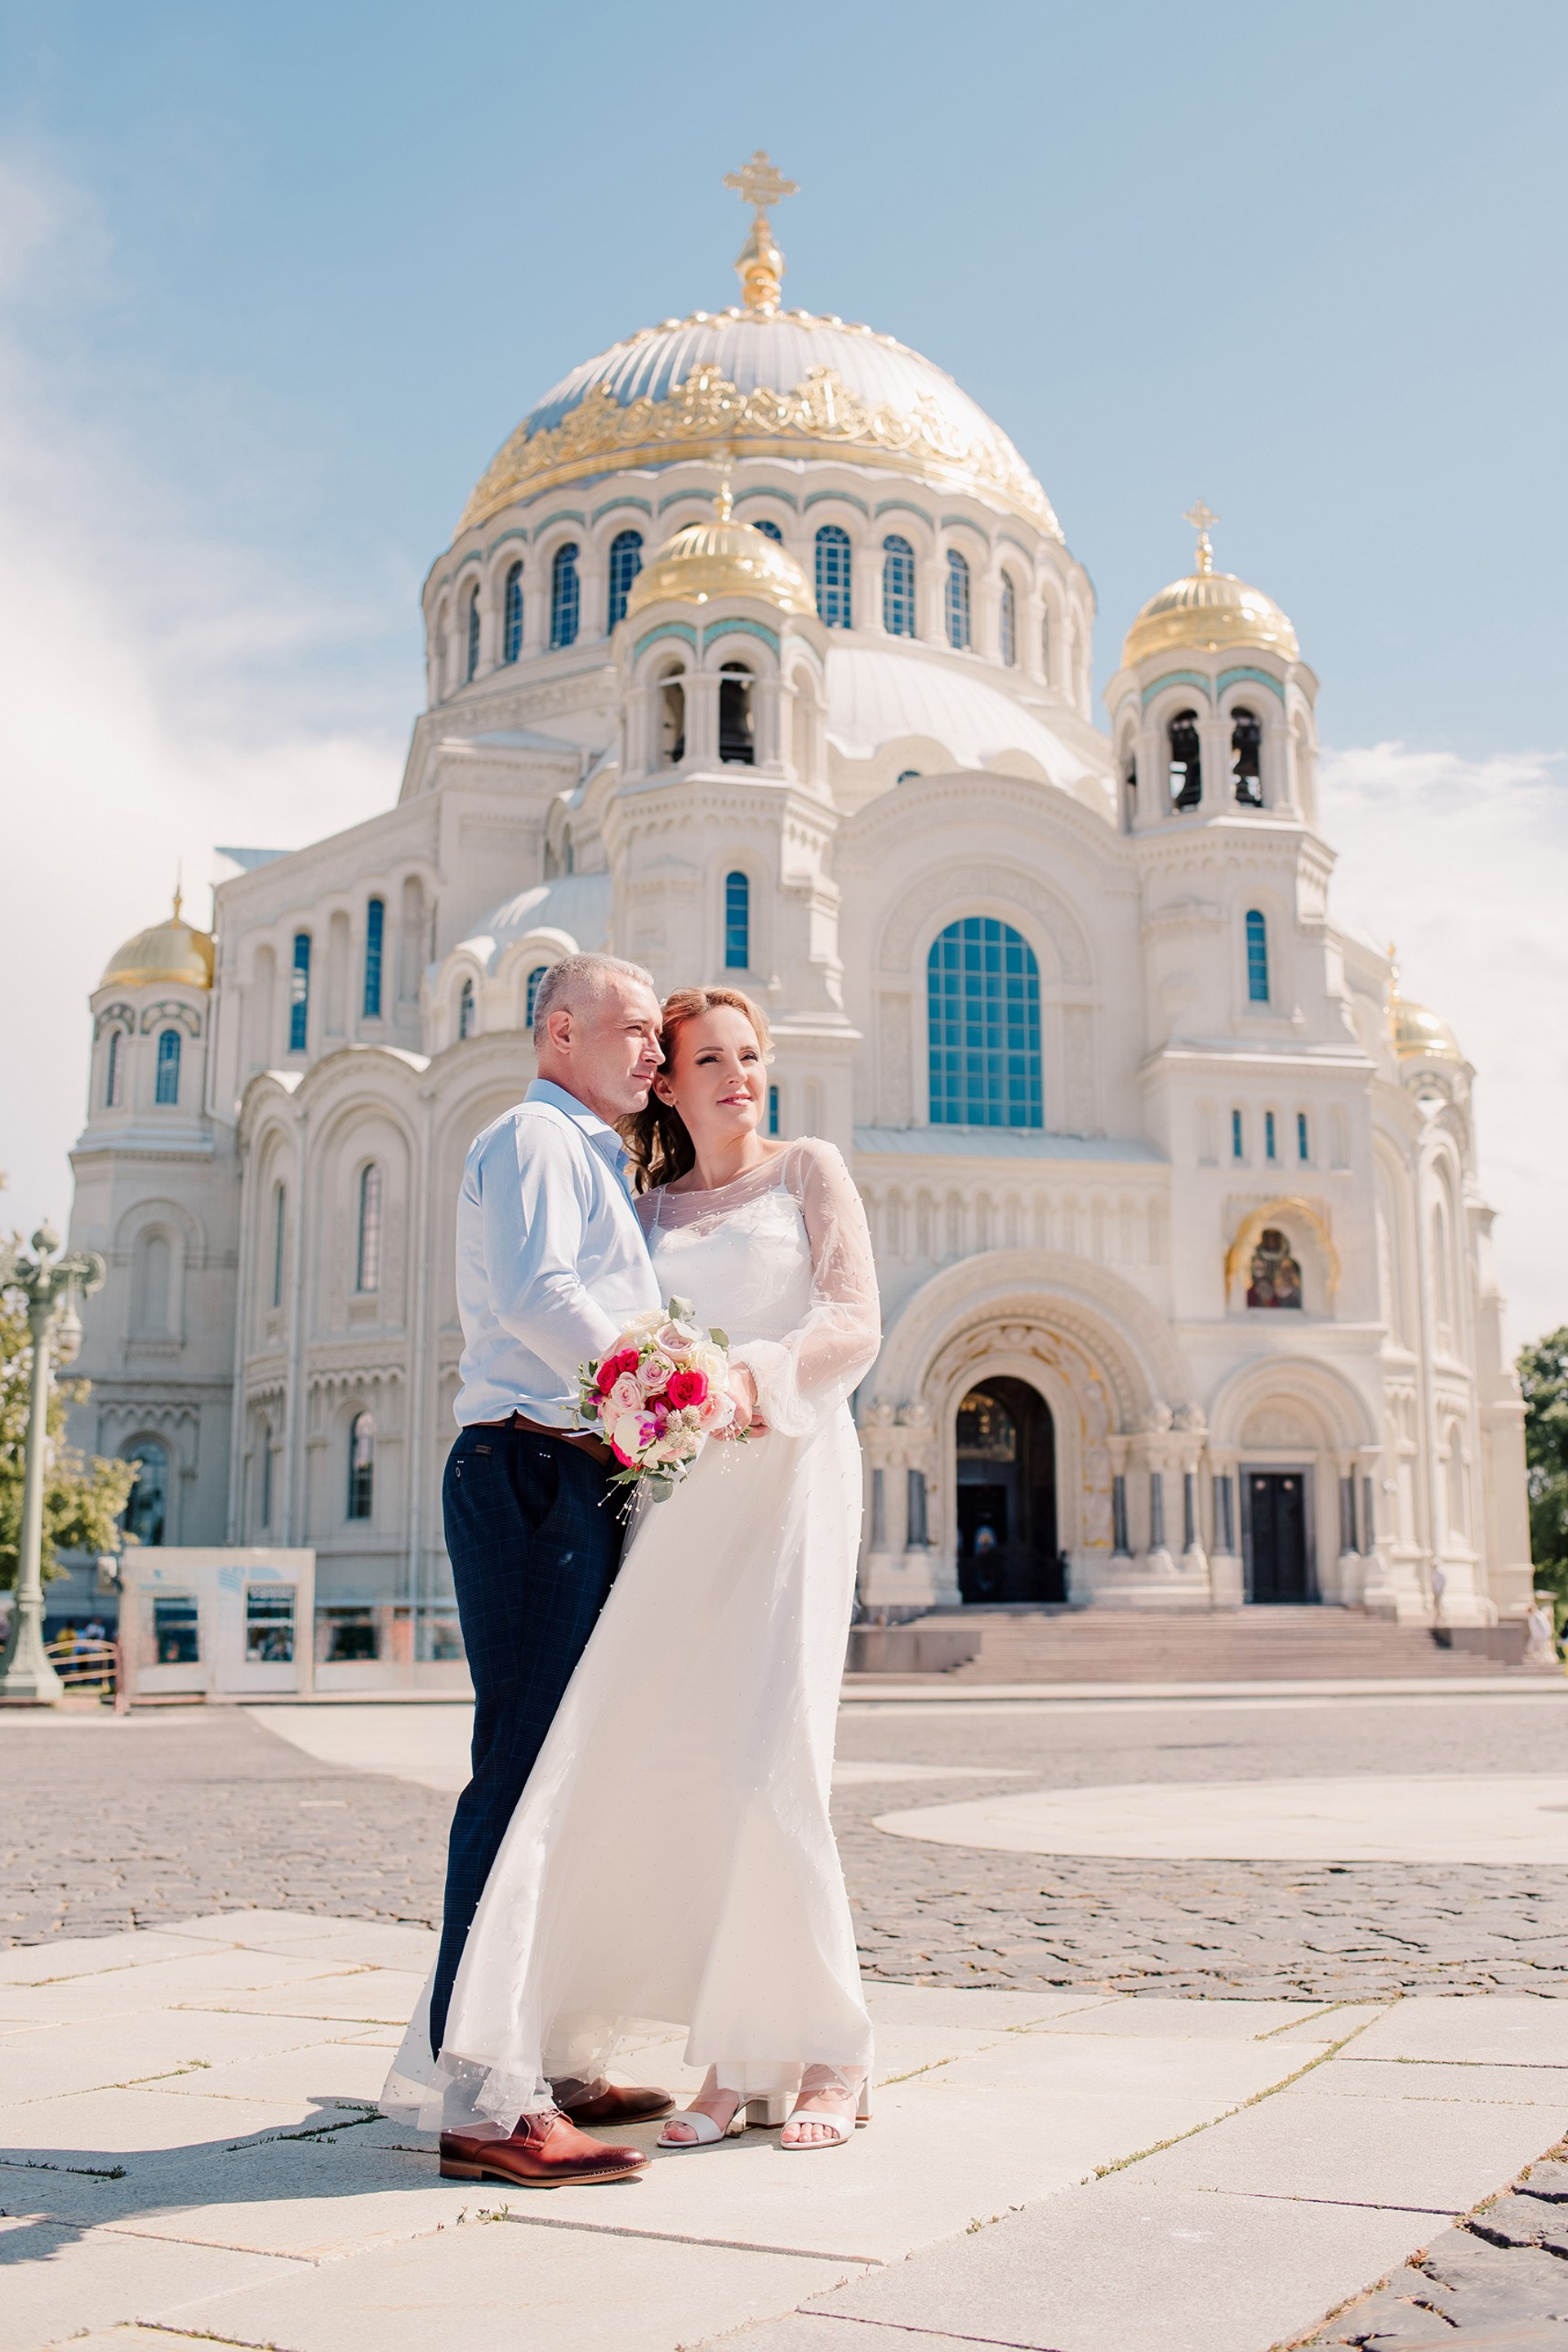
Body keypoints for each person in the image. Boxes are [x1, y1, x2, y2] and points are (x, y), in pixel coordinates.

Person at [385, 984, 880, 2169]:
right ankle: (718, 2054)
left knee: (778, 1754)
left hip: (788, 1475)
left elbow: (853, 1321)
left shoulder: (808, 1168)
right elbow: (582, 1323)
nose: (732, 1074)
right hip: (670, 1500)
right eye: (702, 1054)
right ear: (662, 1077)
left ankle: (824, 2047)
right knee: (675, 1761)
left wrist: (741, 1382)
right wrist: (672, 1398)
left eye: (748, 1055)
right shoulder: (632, 1197)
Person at [420, 951, 759, 2191]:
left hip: (576, 1471)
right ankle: (485, 2098)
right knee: (516, 1769)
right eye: (630, 1032)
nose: (652, 1059)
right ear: (558, 1031)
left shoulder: (596, 1156)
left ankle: (548, 2060)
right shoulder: (533, 1136)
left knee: (568, 1764)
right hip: (527, 1468)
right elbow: (534, 1295)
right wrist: (659, 1386)